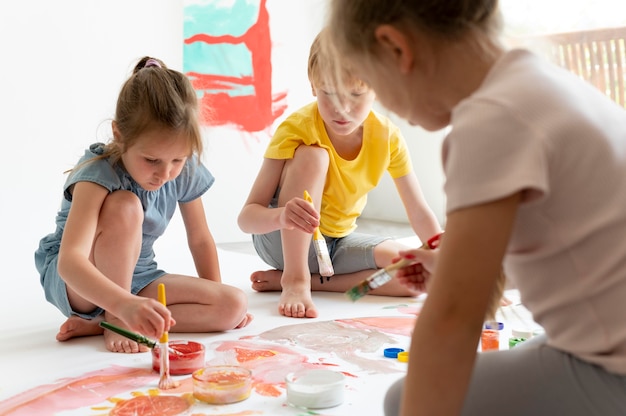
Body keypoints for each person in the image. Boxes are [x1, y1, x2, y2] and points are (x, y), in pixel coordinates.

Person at [325, 0, 626, 415]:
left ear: (395, 48)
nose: (384, 108)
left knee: (403, 398)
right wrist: (454, 266)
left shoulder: (491, 120)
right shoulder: (541, 81)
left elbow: (451, 322)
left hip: (615, 371)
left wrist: (454, 289)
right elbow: (580, 254)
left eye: (373, 84)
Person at [35, 56, 252, 354]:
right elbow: (71, 262)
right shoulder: (97, 174)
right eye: (151, 160)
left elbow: (200, 239)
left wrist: (216, 293)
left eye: (178, 159)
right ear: (119, 135)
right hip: (80, 282)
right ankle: (115, 318)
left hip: (138, 277)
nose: (165, 173)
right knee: (126, 205)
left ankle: (103, 322)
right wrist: (122, 306)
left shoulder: (182, 170)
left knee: (233, 305)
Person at [237, 30, 442, 319]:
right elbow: (247, 218)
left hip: (337, 246)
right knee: (313, 155)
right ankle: (294, 278)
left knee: (416, 278)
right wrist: (282, 216)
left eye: (356, 95)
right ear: (313, 86)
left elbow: (419, 210)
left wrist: (441, 259)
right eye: (328, 93)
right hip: (284, 243)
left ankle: (316, 283)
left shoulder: (388, 137)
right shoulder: (296, 128)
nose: (341, 109)